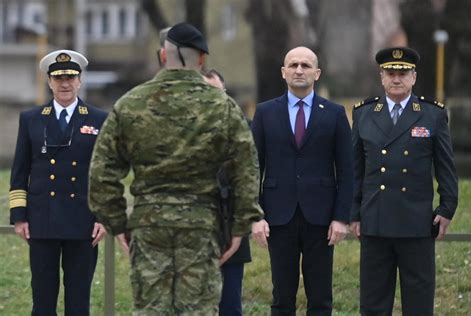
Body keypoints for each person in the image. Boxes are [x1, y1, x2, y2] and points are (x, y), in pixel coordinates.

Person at [88, 22, 263, 315]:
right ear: (203, 60)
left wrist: (117, 224)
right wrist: (239, 227)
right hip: (201, 225)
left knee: (152, 308)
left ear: (162, 56)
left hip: (148, 226)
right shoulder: (223, 106)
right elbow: (246, 169)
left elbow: (101, 174)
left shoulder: (131, 104)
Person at [350, 46, 458, 316]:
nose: (396, 78)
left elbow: (446, 167)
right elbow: (355, 171)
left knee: (419, 303)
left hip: (417, 223)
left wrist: (447, 208)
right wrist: (354, 213)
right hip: (375, 222)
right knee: (374, 303)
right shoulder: (363, 114)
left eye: (403, 73)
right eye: (390, 72)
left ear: (413, 77)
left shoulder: (432, 114)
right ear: (381, 76)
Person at [251, 46, 354, 316]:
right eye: (293, 65)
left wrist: (341, 217)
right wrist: (255, 215)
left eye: (306, 65)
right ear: (283, 72)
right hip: (277, 217)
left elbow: (347, 170)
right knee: (281, 298)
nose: (299, 70)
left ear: (317, 73)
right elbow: (253, 168)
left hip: (321, 220)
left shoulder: (334, 114)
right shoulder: (264, 113)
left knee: (321, 300)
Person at [8, 49, 107, 315]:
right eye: (58, 77)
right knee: (42, 301)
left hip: (83, 223)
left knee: (78, 303)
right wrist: (19, 216)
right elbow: (20, 171)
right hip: (42, 222)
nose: (65, 83)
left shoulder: (99, 119)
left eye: (70, 77)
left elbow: (105, 174)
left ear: (80, 81)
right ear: (49, 81)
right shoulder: (30, 119)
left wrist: (103, 217)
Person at [203, 68, 252, 316]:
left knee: (230, 306)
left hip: (229, 229)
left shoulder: (244, 128)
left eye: (218, 92)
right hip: (190, 233)